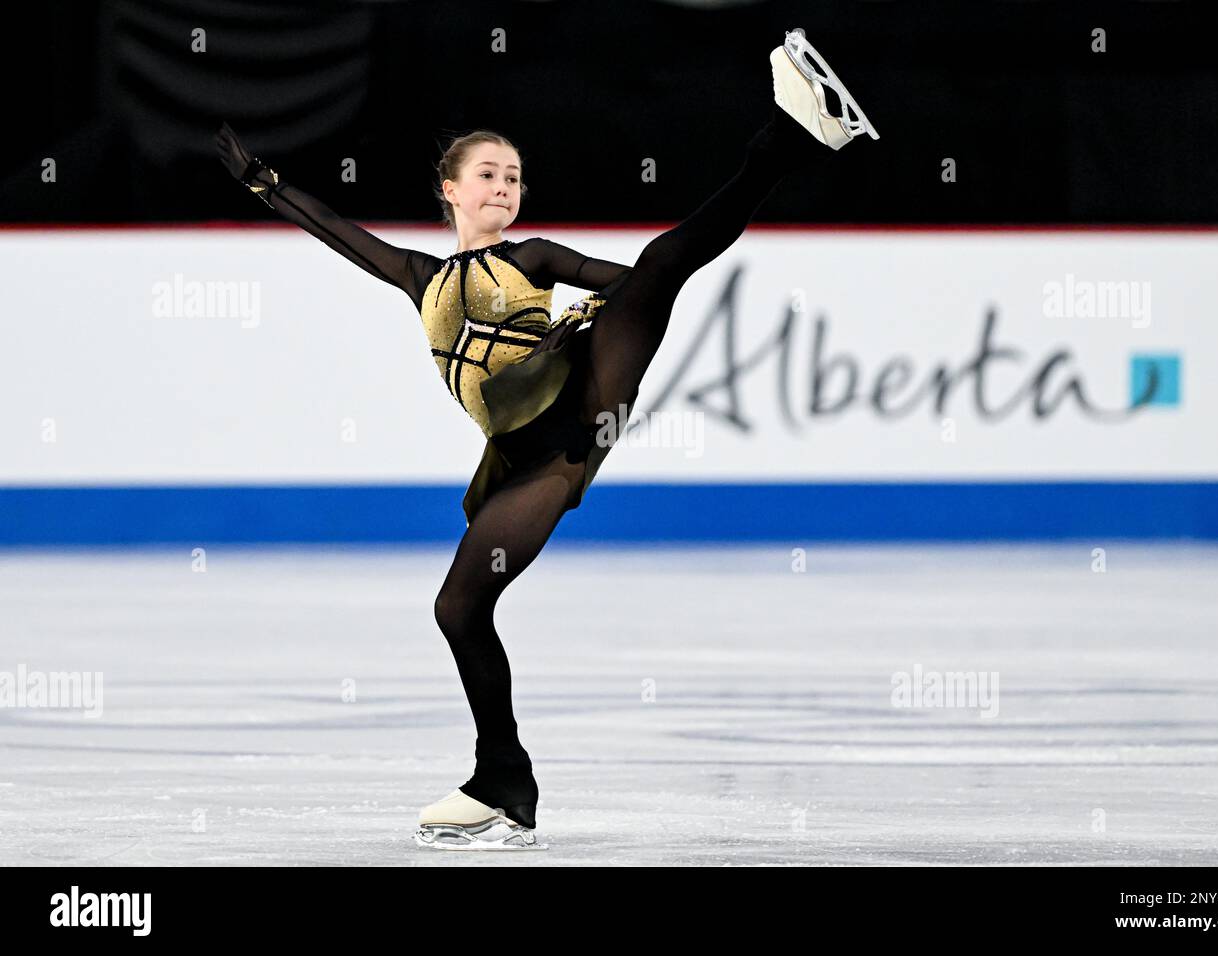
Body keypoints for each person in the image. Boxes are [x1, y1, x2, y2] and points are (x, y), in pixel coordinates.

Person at [214, 27, 877, 851]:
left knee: (664, 260)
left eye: (514, 177)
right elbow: (341, 233)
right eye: (487, 175)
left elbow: (633, 289)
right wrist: (264, 183)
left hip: (587, 388)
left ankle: (790, 133)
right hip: (534, 458)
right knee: (458, 606)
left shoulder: (532, 256)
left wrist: (588, 325)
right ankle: (505, 780)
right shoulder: (420, 276)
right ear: (449, 191)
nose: (504, 186)